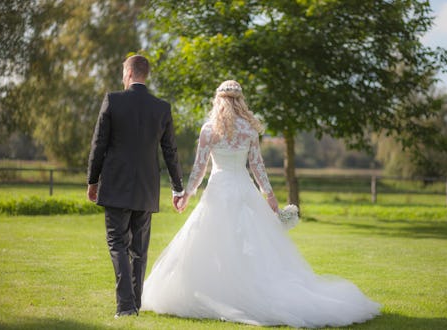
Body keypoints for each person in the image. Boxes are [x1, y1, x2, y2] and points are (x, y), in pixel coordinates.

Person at [140, 80, 381, 328]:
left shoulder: (209, 130)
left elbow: (200, 169)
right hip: (244, 190)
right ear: (240, 101)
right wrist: (269, 195)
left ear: (218, 101)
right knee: (251, 244)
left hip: (218, 191)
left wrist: (187, 194)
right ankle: (243, 291)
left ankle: (221, 293)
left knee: (212, 243)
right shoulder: (249, 131)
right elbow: (257, 166)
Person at [86, 55, 184, 319]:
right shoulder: (162, 108)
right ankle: (134, 305)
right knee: (138, 250)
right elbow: (170, 152)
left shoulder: (113, 100)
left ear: (128, 74)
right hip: (146, 188)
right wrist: (178, 188)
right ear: (145, 74)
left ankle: (126, 307)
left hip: (116, 184)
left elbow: (99, 145)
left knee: (117, 243)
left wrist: (92, 181)